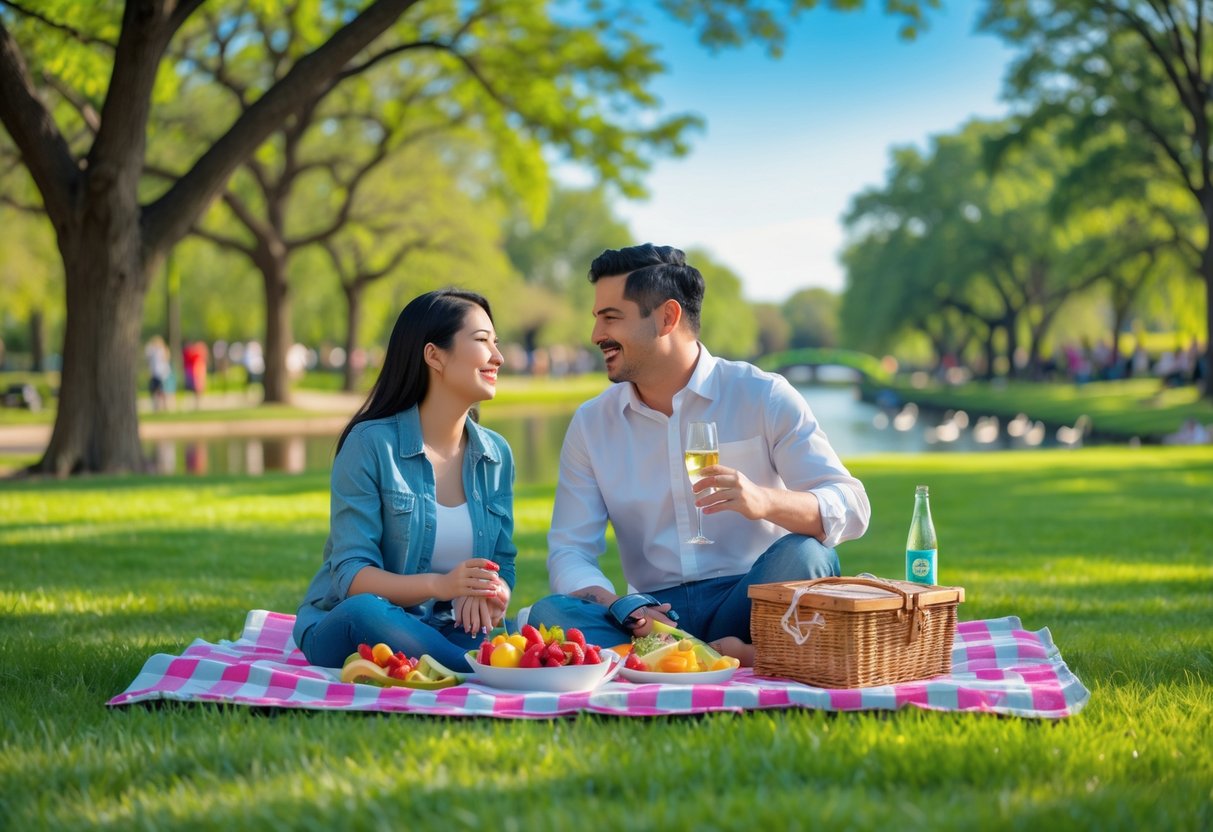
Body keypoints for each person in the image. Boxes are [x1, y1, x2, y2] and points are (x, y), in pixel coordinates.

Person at [527, 244, 870, 664]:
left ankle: (683, 657)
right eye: (597, 318)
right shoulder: (592, 423)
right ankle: (725, 656)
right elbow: (570, 550)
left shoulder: (762, 395)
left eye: (610, 317)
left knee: (808, 554)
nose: (596, 334)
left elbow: (852, 506)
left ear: (667, 318)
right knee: (550, 612)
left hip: (751, 601)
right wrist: (624, 606)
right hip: (654, 618)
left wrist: (764, 501)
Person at [293, 289, 516, 671]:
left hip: (449, 626)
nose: (498, 357)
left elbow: (502, 563)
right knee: (364, 610)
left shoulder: (496, 454)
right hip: (358, 624)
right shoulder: (370, 444)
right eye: (482, 341)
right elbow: (351, 576)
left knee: (499, 633)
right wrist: (441, 586)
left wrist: (493, 592)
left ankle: (462, 664)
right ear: (434, 356)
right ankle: (473, 670)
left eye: (496, 343)